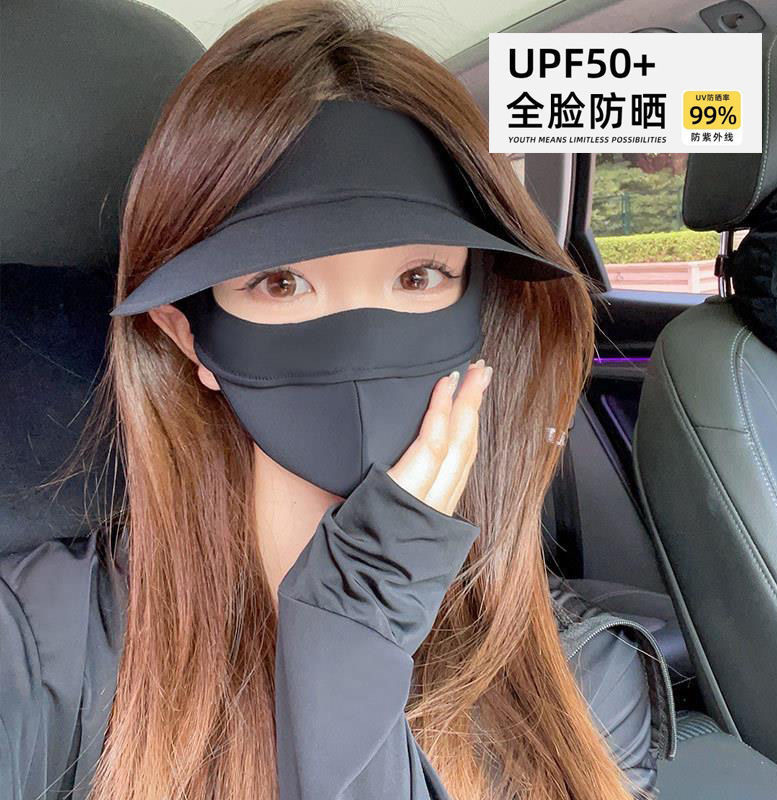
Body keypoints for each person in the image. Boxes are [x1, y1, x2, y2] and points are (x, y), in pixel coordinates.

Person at [0, 2, 670, 799]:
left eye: (419, 276)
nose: (359, 343)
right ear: (190, 338)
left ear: (480, 312)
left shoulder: (581, 681)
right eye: (281, 282)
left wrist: (356, 628)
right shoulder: (39, 647)